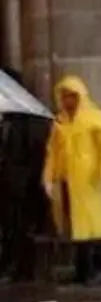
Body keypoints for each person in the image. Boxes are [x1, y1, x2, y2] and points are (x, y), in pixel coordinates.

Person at [42, 76, 101, 285]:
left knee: (96, 227)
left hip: (92, 181)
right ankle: (83, 270)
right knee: (76, 229)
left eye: (72, 96)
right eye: (64, 97)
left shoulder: (96, 118)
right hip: (70, 182)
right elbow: (53, 153)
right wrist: (49, 177)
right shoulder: (60, 123)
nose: (68, 101)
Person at [0, 67, 52, 283]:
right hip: (6, 184)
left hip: (21, 186)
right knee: (8, 228)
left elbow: (35, 153)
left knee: (20, 229)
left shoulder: (29, 120)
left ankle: (20, 268)